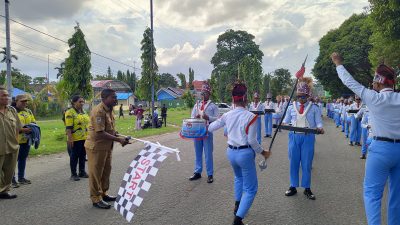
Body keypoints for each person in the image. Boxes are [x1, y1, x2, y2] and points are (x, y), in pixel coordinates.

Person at [332, 52, 400, 225]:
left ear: (378, 82)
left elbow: (349, 82)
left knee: (372, 194)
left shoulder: (373, 97)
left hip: (380, 149)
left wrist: (338, 63)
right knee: (397, 197)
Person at [208, 81, 271, 225]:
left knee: (238, 178)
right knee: (251, 189)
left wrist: (206, 120)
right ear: (245, 99)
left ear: (233, 99)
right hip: (244, 154)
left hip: (231, 152)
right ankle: (238, 220)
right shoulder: (250, 116)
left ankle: (237, 205)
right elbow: (252, 141)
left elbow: (211, 128)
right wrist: (263, 152)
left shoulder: (227, 115)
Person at [84, 89, 130, 209]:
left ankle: (104, 194)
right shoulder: (98, 111)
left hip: (107, 146)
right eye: (113, 97)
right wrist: (119, 140)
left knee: (106, 171)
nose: (116, 99)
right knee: (96, 173)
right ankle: (95, 198)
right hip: (96, 147)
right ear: (104, 99)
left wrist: (117, 135)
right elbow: (100, 133)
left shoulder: (110, 110)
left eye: (116, 97)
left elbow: (109, 129)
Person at [282, 77, 324, 200]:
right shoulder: (291, 107)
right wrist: (284, 124)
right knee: (293, 162)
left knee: (306, 163)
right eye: (299, 96)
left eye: (304, 96)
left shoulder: (314, 107)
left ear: (308, 95)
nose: (301, 99)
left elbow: (319, 122)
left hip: (308, 137)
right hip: (294, 136)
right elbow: (286, 121)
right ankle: (293, 186)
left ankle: (307, 188)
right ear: (297, 95)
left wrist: (320, 128)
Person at [189, 82, 219, 183]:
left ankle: (210, 174)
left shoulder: (213, 106)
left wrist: (208, 117)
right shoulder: (196, 105)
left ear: (209, 94)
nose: (203, 94)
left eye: (205, 93)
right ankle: (197, 172)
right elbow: (191, 117)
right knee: (197, 152)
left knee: (208, 153)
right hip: (197, 132)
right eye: (202, 93)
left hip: (207, 131)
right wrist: (195, 117)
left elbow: (218, 119)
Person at [0, 86, 21, 199]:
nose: (7, 97)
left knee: (9, 172)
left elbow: (17, 127)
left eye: (7, 95)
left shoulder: (12, 110)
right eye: (3, 95)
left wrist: (16, 142)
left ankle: (4, 191)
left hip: (12, 146)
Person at [12, 94, 35, 187]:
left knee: (22, 159)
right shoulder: (12, 111)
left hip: (26, 140)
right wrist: (22, 130)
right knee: (12, 161)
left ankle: (21, 178)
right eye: (22, 101)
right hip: (14, 141)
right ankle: (11, 180)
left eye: (26, 101)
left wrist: (32, 127)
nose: (24, 103)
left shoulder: (28, 111)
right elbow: (10, 126)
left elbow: (33, 121)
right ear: (16, 101)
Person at [65, 95, 90, 181]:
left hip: (84, 137)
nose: (82, 103)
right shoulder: (70, 112)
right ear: (74, 102)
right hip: (75, 139)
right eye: (80, 101)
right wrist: (70, 138)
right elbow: (68, 127)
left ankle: (82, 172)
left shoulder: (84, 112)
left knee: (83, 155)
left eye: (83, 101)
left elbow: (88, 123)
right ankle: (73, 174)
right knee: (74, 156)